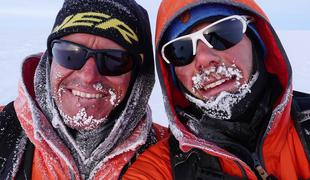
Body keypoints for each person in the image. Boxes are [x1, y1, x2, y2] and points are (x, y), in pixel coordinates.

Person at [124, 0, 310, 179]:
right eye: (181, 50)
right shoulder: (159, 169)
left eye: (222, 33)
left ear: (257, 42)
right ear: (172, 76)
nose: (204, 59)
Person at [0, 0, 168, 179]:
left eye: (114, 61)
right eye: (70, 54)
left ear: (137, 78)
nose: (88, 76)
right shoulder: (4, 128)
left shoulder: (174, 160)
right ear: (50, 60)